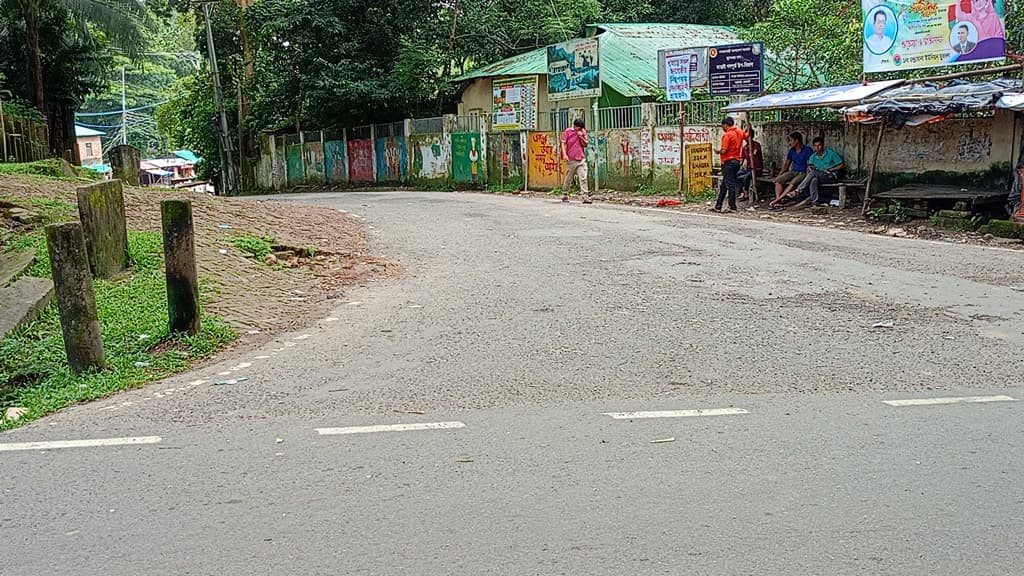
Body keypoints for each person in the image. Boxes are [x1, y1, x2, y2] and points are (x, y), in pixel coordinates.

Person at [794, 137, 845, 206]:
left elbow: (841, 165)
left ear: (823, 145)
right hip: (818, 176)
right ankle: (815, 202)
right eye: (815, 146)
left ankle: (799, 189)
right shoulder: (812, 157)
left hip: (830, 176)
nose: (817, 148)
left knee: (814, 174)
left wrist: (830, 169)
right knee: (813, 180)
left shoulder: (831, 153)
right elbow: (811, 167)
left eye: (819, 145)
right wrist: (811, 168)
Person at [711, 116, 744, 213]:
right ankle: (718, 205)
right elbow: (747, 136)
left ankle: (732, 206)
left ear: (725, 125)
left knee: (730, 185)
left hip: (728, 162)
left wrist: (718, 151)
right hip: (737, 161)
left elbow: (724, 150)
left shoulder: (727, 135)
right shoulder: (739, 132)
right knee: (724, 185)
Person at [771, 132, 812, 206]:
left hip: (803, 172)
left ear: (797, 141)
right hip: (793, 171)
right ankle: (778, 200)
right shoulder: (791, 151)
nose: (790, 142)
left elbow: (809, 164)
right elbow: (786, 165)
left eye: (791, 140)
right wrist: (780, 175)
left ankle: (777, 200)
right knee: (778, 181)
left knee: (792, 183)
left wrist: (808, 176)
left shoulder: (807, 150)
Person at [561, 118, 591, 203]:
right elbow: (563, 143)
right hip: (571, 159)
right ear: (575, 126)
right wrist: (564, 154)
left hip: (581, 159)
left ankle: (585, 197)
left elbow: (585, 144)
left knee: (583, 178)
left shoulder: (583, 132)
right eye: (579, 127)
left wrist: (581, 136)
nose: (581, 129)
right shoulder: (568, 131)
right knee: (569, 178)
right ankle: (565, 194)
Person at [738, 127, 763, 201]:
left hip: (757, 169)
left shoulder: (756, 145)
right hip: (748, 168)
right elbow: (741, 159)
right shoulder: (745, 147)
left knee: (746, 177)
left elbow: (755, 152)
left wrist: (752, 153)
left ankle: (746, 194)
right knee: (737, 174)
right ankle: (741, 190)